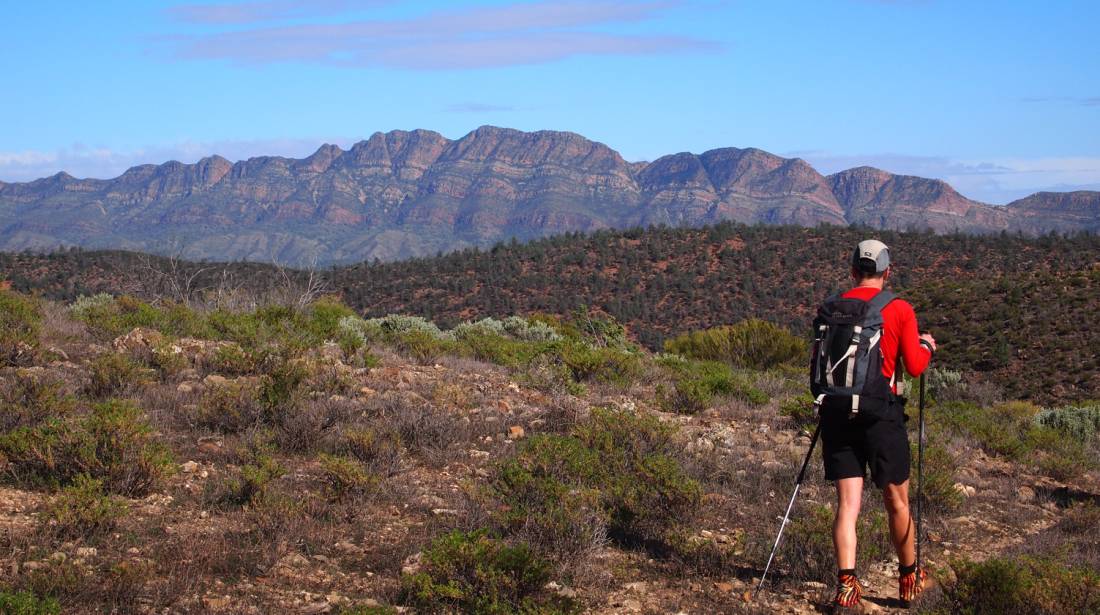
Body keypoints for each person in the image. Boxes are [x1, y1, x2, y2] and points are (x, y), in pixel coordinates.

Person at [821, 239, 936, 612]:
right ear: (887, 272)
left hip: (837, 412)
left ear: (853, 270)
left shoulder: (833, 308)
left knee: (847, 506)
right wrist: (927, 346)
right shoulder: (899, 308)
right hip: (880, 416)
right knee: (897, 502)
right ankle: (909, 580)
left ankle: (847, 589)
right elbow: (915, 366)